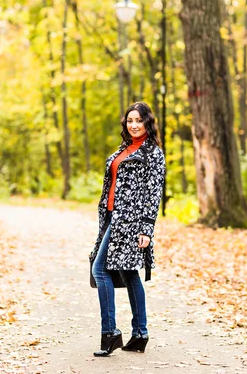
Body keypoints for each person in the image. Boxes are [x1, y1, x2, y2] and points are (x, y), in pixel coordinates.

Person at [89, 101, 166, 357]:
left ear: (147, 123)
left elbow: (153, 194)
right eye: (130, 120)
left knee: (100, 270)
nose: (134, 125)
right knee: (129, 272)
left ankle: (109, 333)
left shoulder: (152, 153)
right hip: (112, 218)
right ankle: (140, 333)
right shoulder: (125, 148)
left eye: (139, 121)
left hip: (131, 223)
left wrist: (146, 228)